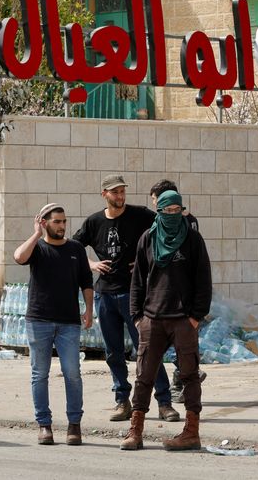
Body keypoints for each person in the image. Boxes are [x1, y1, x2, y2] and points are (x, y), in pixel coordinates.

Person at [73, 174, 179, 423]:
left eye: (122, 192)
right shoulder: (94, 222)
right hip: (105, 296)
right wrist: (92, 264)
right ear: (104, 195)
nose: (120, 196)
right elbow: (74, 247)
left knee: (148, 351)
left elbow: (165, 230)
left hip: (134, 295)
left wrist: (149, 261)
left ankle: (164, 402)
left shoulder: (140, 215)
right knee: (113, 353)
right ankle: (122, 401)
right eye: (115, 192)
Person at [120, 190, 212, 451]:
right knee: (143, 377)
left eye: (176, 210)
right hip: (153, 319)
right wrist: (138, 317)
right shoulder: (148, 239)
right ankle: (135, 431)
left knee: (189, 375)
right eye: (166, 210)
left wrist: (195, 317)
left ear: (182, 210)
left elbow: (203, 281)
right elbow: (137, 280)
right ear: (158, 212)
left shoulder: (193, 239)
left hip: (183, 320)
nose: (171, 215)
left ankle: (191, 432)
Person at [14, 203, 94, 446]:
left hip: (69, 322)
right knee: (40, 374)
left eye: (64, 221)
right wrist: (36, 234)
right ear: (45, 222)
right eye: (56, 221)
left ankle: (74, 426)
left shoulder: (76, 249)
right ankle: (44, 425)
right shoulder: (37, 248)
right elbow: (18, 257)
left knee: (72, 374)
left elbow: (86, 281)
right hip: (39, 320)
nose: (61, 226)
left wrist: (89, 310)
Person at [149, 179, 205, 403]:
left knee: (182, 344)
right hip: (170, 299)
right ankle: (183, 378)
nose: (154, 205)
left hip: (181, 297)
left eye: (156, 199)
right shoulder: (187, 220)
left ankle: (183, 382)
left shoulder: (184, 225)